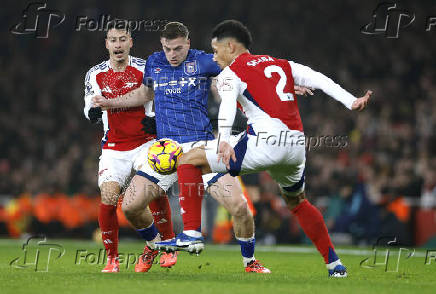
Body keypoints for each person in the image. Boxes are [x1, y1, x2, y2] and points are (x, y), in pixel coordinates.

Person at [92, 22, 316, 273]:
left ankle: (249, 262)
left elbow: (240, 75)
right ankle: (156, 245)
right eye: (167, 49)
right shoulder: (155, 62)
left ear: (188, 43)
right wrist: (110, 102)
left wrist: (270, 90)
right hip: (167, 151)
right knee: (130, 206)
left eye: (178, 48)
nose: (172, 55)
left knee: (240, 208)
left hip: (201, 148)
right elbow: (144, 94)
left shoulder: (203, 61)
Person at [164, 20, 373, 277]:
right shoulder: (282, 64)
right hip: (295, 146)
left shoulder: (232, 72)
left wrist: (225, 140)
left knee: (188, 161)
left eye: (216, 51)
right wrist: (351, 101)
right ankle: (335, 265)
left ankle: (192, 234)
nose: (215, 58)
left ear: (231, 46)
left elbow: (227, 105)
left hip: (264, 141)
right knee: (297, 202)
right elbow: (319, 79)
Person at [84, 22, 177, 273]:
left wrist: (158, 117)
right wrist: (91, 112)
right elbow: (89, 104)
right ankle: (114, 258)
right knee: (109, 198)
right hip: (114, 147)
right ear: (106, 44)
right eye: (113, 40)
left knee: (153, 191)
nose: (118, 45)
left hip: (145, 143)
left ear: (130, 42)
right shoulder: (95, 73)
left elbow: (163, 95)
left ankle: (168, 246)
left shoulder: (145, 67)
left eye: (122, 39)